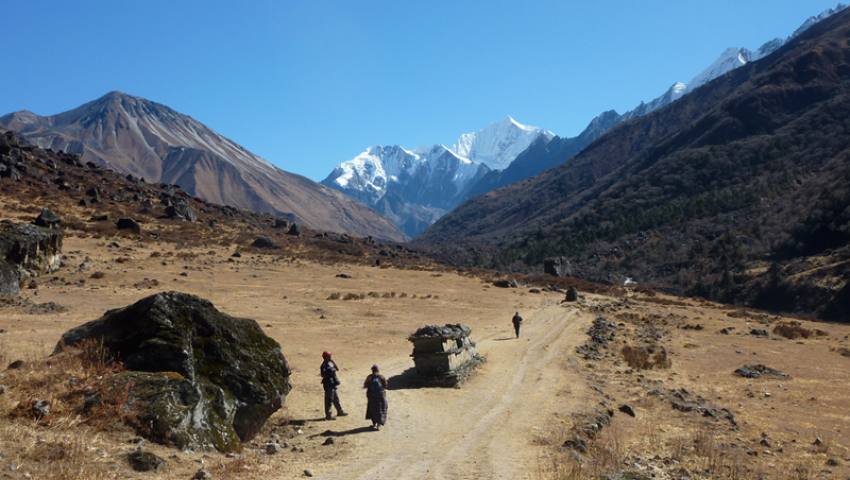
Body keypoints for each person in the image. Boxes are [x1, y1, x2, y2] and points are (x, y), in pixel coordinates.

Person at [320, 351, 348, 420]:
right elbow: (323, 374)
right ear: (325, 357)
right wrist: (330, 371)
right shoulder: (323, 365)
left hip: (333, 384)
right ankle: (328, 415)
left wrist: (332, 363)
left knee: (336, 399)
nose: (330, 357)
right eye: (329, 356)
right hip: (328, 384)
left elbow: (337, 369)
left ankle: (340, 411)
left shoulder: (330, 362)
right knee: (329, 400)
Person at [364, 364, 388, 430]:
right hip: (381, 396)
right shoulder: (381, 377)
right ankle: (379, 425)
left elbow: (365, 385)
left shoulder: (369, 377)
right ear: (378, 370)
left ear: (372, 370)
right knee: (381, 409)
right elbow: (385, 385)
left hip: (371, 396)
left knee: (372, 409)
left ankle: (374, 424)